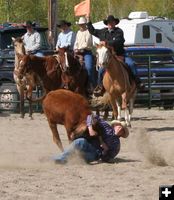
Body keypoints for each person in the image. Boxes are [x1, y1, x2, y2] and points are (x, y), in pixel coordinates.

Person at [86, 15, 143, 95]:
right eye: (109, 22)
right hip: (108, 57)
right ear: (107, 24)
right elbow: (92, 31)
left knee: (131, 64)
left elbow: (119, 41)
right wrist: (88, 20)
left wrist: (106, 43)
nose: (110, 24)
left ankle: (137, 82)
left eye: (112, 22)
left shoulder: (119, 31)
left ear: (115, 23)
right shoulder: (103, 32)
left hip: (120, 54)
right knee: (101, 70)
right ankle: (100, 86)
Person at [52, 114, 129, 164]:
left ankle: (57, 159)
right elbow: (91, 116)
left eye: (122, 130)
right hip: (88, 144)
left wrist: (105, 151)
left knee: (78, 158)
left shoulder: (116, 145)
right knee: (79, 142)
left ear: (122, 134)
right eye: (119, 127)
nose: (120, 129)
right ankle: (56, 159)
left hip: (95, 154)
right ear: (115, 126)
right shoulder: (106, 126)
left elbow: (108, 157)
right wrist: (90, 128)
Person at [74, 16, 96, 93]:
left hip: (87, 52)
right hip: (78, 52)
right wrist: (76, 48)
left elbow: (88, 43)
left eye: (83, 24)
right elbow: (76, 42)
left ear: (85, 24)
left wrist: (80, 48)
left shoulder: (89, 32)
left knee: (89, 68)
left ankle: (92, 84)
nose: (81, 25)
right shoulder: (78, 32)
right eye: (80, 24)